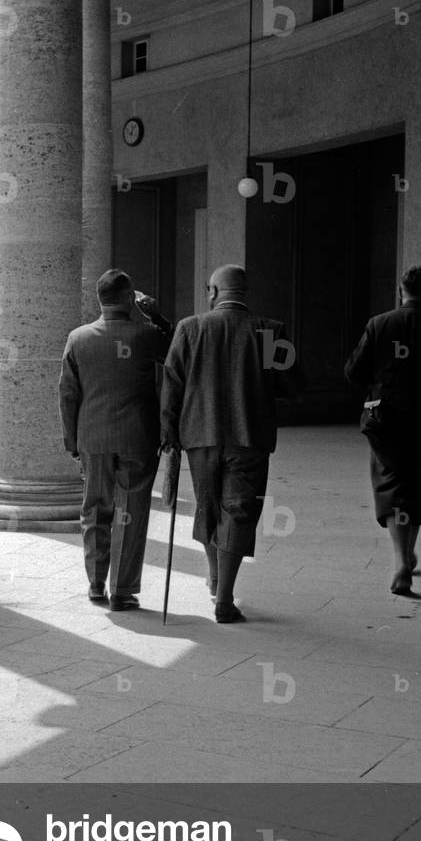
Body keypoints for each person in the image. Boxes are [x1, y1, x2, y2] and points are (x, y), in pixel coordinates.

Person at [161, 264, 304, 623]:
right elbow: (294, 386)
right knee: (238, 513)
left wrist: (169, 436)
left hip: (199, 436)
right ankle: (224, 598)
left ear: (212, 292)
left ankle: (214, 577)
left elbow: (171, 387)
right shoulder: (270, 331)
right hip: (249, 438)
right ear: (245, 293)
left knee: (207, 507)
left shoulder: (189, 328)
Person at [59, 269, 171, 610]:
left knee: (95, 509)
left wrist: (71, 440)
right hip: (138, 437)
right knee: (131, 511)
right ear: (128, 298)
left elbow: (67, 392)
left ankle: (95, 583)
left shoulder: (78, 338)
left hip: (93, 437)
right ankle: (122, 590)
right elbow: (180, 352)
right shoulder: (146, 334)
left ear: (100, 299)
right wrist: (159, 317)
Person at [344, 266, 421, 595]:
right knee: (412, 485)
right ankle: (407, 555)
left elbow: (354, 371)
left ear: (401, 290)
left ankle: (402, 560)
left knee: (391, 486)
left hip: (385, 420)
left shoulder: (380, 324)